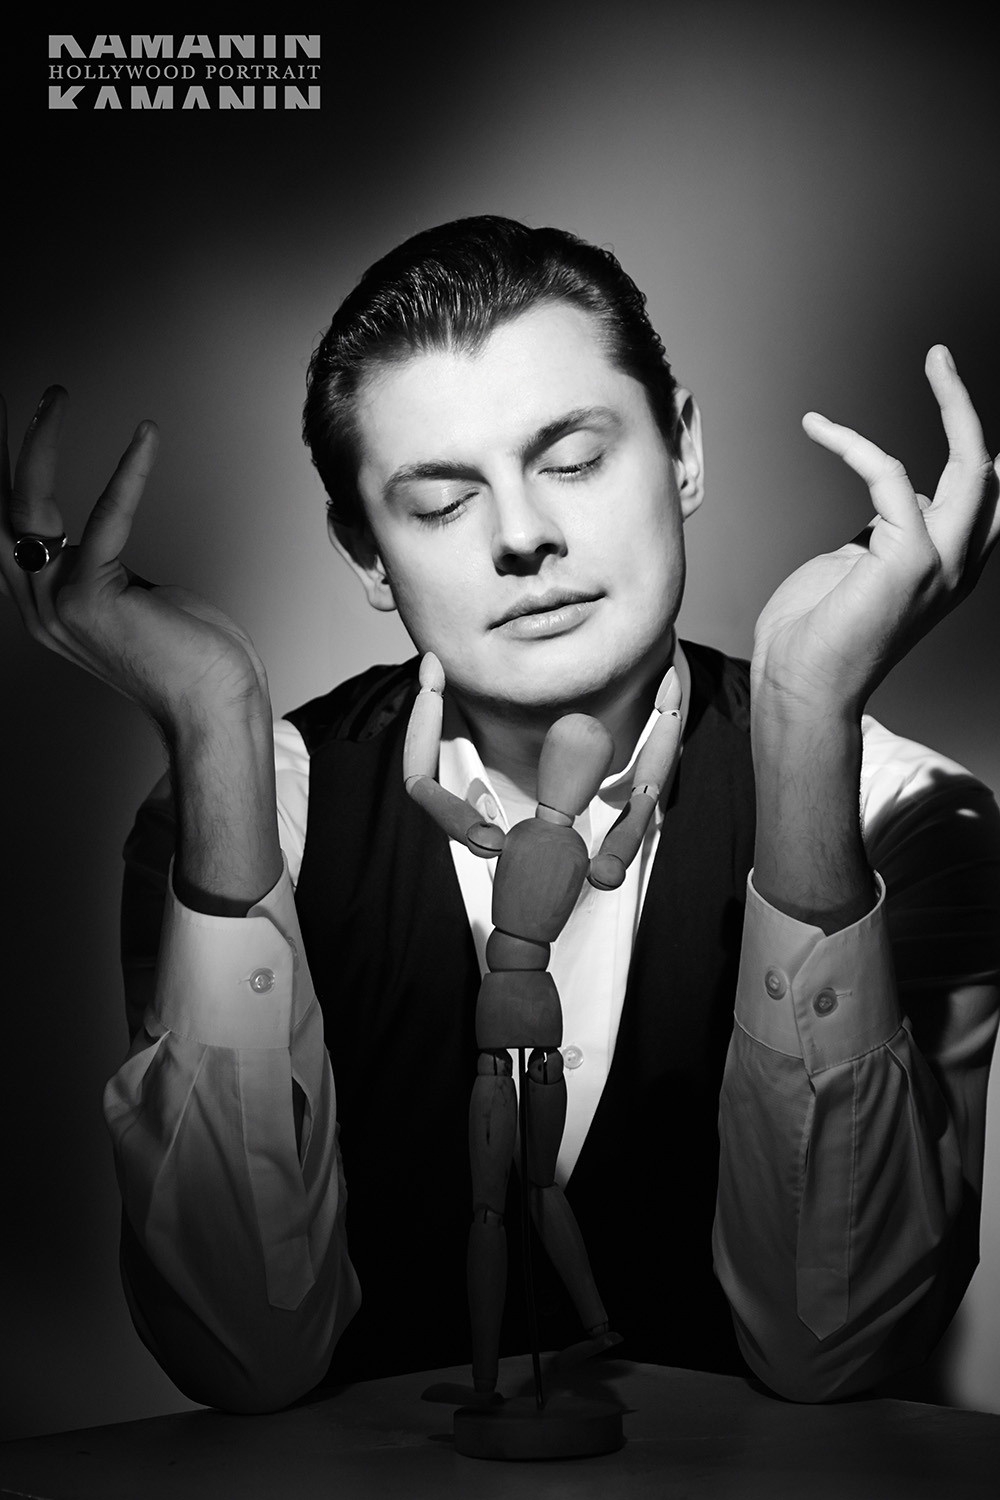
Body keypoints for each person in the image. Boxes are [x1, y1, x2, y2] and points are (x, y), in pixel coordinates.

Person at [3, 217, 999, 1414]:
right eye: (439, 502)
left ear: (682, 451)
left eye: (571, 460)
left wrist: (806, 716)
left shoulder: (908, 815)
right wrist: (212, 722)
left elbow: (833, 1348)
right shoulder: (248, 816)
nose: (523, 536)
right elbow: (243, 1356)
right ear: (366, 554)